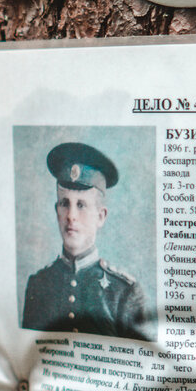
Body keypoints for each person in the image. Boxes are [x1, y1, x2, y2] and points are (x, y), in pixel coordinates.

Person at [22, 142, 150, 340]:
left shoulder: (123, 292)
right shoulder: (39, 284)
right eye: (65, 204)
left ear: (101, 216)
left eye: (81, 205)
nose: (71, 216)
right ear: (57, 211)